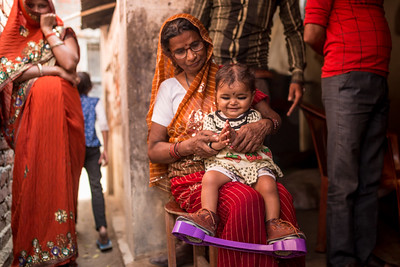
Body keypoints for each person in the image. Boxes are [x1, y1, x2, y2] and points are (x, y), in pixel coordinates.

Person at [147, 13, 305, 267]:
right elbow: (154, 150)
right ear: (170, 55)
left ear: (206, 41)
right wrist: (188, 145)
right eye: (180, 51)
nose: (191, 56)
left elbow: (274, 118)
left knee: (281, 195)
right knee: (244, 201)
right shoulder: (169, 89)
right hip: (194, 177)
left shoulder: (229, 78)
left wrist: (263, 126)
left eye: (195, 45)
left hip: (243, 166)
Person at [303, 1, 392, 267]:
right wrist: (339, 52)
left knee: (369, 178)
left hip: (377, 76)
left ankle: (363, 256)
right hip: (346, 76)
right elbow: (312, 34)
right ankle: (342, 260)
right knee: (344, 180)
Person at [178, 63, 306, 244]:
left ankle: (273, 224)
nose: (233, 102)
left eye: (241, 97)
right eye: (225, 97)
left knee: (269, 185)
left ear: (252, 96)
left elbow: (253, 142)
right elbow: (208, 146)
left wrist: (235, 136)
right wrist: (218, 143)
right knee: (210, 179)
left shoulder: (254, 117)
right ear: (216, 97)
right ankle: (207, 216)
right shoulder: (212, 119)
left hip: (252, 162)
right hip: (224, 163)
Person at [0, 0, 85, 266]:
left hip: (68, 120)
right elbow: (5, 73)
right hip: (31, 127)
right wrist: (52, 70)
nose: (38, 11)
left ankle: (63, 250)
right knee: (34, 179)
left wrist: (49, 31)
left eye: (43, 4)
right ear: (21, 7)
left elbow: (70, 63)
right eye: (32, 5)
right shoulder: (11, 37)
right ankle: (32, 254)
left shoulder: (63, 32)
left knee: (64, 181)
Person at [191, 0, 306, 116]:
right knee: (208, 128)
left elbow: (293, 30)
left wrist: (297, 75)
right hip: (213, 70)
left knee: (260, 126)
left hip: (255, 74)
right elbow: (195, 26)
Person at [77, 72, 112, 252]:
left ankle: (69, 227)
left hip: (74, 150)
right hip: (92, 150)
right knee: (96, 188)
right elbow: (104, 126)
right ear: (90, 87)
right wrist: (105, 149)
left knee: (70, 189)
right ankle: (103, 229)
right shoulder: (95, 102)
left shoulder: (70, 103)